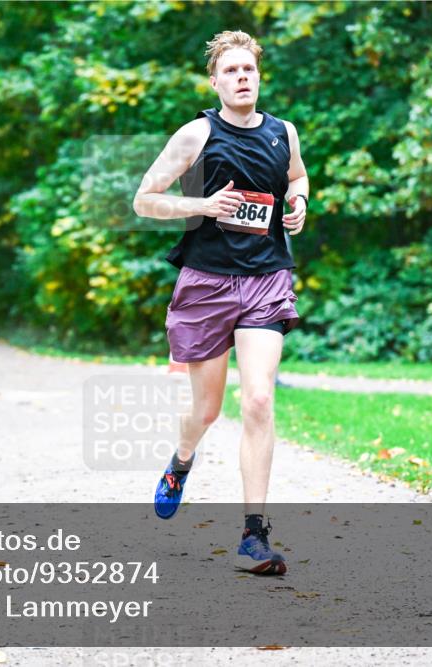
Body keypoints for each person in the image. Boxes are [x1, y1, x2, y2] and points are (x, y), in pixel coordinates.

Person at [132, 30, 308, 575]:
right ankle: (181, 460)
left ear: (259, 76)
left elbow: (297, 177)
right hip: (207, 283)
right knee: (207, 410)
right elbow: (145, 200)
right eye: (230, 70)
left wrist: (298, 201)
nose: (241, 77)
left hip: (265, 278)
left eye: (248, 69)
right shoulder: (196, 134)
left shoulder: (284, 133)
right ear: (216, 81)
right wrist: (204, 203)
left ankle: (254, 534)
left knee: (257, 400)